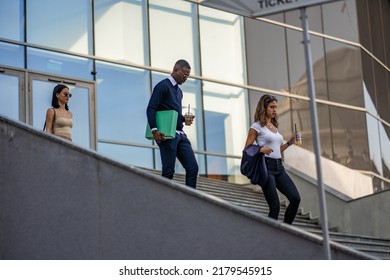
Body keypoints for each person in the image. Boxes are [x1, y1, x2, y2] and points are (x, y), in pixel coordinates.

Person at [244, 94, 301, 224]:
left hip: (279, 168)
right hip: (266, 168)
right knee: (274, 207)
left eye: (276, 107)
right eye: (272, 107)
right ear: (264, 108)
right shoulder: (256, 127)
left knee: (295, 198)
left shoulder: (274, 127)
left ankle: (287, 230)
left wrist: (289, 143)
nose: (275, 110)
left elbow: (276, 150)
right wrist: (260, 149)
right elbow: (247, 148)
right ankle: (271, 237)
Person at [146, 59, 199, 188]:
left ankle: (190, 200)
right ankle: (164, 200)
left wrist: (183, 119)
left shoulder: (179, 92)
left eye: (188, 75)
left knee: (193, 168)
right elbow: (151, 108)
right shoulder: (163, 86)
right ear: (175, 69)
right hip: (167, 134)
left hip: (180, 134)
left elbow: (171, 112)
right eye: (184, 74)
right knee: (169, 171)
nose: (186, 78)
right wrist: (154, 130)